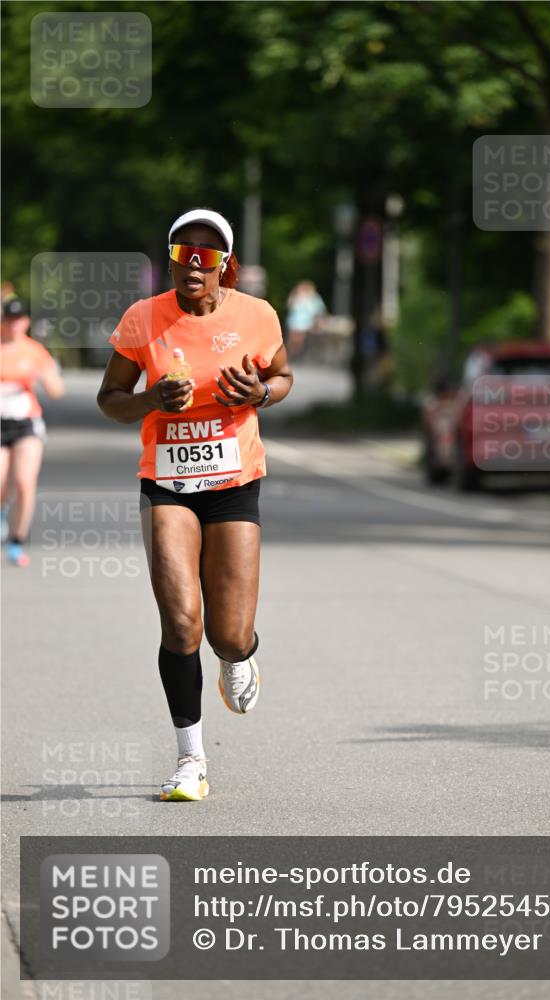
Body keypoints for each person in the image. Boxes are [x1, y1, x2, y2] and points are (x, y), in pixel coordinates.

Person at [97, 208, 293, 802]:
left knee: (227, 634)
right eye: (183, 255)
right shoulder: (144, 319)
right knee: (182, 623)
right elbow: (110, 398)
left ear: (225, 267)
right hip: (168, 484)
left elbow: (282, 377)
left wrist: (261, 393)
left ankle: (242, 655)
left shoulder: (256, 316)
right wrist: (151, 398)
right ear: (171, 261)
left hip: (233, 485)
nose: (193, 267)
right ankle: (191, 760)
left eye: (207, 258)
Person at [1, 297, 65, 566]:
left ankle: (16, 540)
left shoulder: (35, 351)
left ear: (26, 322)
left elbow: (56, 391)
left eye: (19, 320)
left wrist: (42, 375)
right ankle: (4, 511)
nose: (14, 325)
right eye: (9, 320)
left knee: (25, 483)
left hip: (26, 423)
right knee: (1, 484)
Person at [285, 280, 326, 358]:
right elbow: (289, 306)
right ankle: (293, 353)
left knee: (299, 338)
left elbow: (319, 310)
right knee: (293, 339)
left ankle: (296, 354)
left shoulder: (314, 298)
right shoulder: (295, 297)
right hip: (294, 321)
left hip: (306, 322)